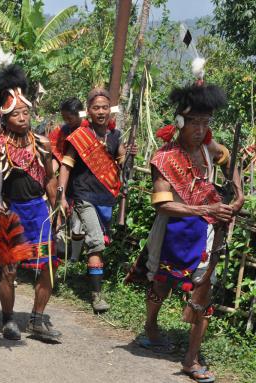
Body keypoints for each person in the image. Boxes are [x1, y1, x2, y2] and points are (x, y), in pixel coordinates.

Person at [138, 82, 243, 383]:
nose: (200, 129)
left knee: (203, 293)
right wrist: (206, 210)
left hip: (208, 233)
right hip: (173, 229)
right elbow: (163, 204)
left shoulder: (209, 148)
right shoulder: (164, 158)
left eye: (206, 122)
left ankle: (191, 358)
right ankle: (151, 327)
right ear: (181, 122)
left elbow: (228, 160)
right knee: (161, 285)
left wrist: (238, 194)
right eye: (194, 122)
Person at [0, 65, 61, 343]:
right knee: (9, 270)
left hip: (39, 212)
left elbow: (50, 178)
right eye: (16, 114)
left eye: (25, 113)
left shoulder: (42, 144)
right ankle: (8, 320)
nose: (23, 118)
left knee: (47, 266)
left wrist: (56, 207)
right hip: (11, 213)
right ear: (5, 117)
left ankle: (37, 320)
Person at [57, 88, 132, 312]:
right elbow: (66, 166)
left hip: (106, 197)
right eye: (96, 108)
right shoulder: (79, 137)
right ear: (88, 111)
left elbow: (121, 164)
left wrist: (128, 155)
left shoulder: (115, 136)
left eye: (105, 107)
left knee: (95, 242)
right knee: (97, 243)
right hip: (84, 195)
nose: (101, 111)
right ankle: (97, 296)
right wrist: (61, 195)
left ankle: (66, 257)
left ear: (110, 111)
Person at [48, 98, 84, 262]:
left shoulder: (88, 130)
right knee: (59, 213)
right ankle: (59, 251)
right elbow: (56, 155)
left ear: (79, 114)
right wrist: (48, 175)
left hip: (83, 179)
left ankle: (75, 258)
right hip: (64, 177)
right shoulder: (63, 131)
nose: (67, 122)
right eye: (65, 119)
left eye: (70, 118)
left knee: (78, 220)